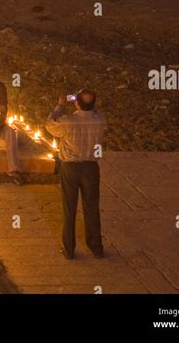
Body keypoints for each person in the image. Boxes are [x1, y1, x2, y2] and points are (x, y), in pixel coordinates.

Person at [46, 90, 106, 260]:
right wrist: (86, 102)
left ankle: (69, 249)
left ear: (76, 103)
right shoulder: (100, 120)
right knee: (92, 208)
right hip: (91, 168)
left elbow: (50, 125)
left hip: (70, 167)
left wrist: (60, 105)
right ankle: (96, 248)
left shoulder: (67, 121)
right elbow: (94, 111)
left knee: (69, 208)